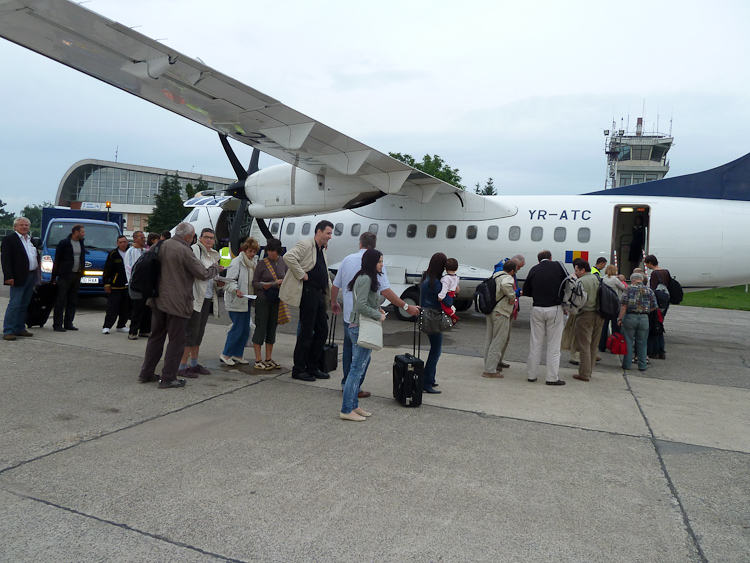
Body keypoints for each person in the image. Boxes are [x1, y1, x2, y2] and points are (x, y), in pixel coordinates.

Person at [331, 232, 419, 397]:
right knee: (363, 358)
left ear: (360, 244)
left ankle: (346, 385)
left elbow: (336, 285)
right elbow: (385, 291)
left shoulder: (347, 259)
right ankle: (353, 390)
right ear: (374, 246)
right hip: (364, 319)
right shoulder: (374, 265)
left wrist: (334, 302)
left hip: (349, 316)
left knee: (349, 352)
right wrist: (406, 306)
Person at [138, 223, 220, 388]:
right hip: (177, 302)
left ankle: (146, 373)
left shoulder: (159, 245)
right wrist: (216, 267)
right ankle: (168, 378)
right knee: (176, 341)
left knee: (156, 337)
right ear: (188, 237)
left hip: (157, 299)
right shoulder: (184, 250)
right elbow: (202, 273)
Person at [279, 220, 335, 382]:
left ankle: (313, 367)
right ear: (319, 232)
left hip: (319, 295)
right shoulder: (305, 244)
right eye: (328, 233)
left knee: (322, 331)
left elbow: (324, 272)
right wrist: (301, 274)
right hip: (308, 293)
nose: (330, 237)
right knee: (306, 332)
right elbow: (289, 256)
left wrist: (331, 296)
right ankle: (299, 369)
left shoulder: (321, 250)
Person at [340, 249, 386, 421]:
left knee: (358, 368)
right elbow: (360, 306)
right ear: (372, 262)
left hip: (358, 325)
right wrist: (377, 315)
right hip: (360, 326)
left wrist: (378, 309)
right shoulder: (366, 278)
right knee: (356, 370)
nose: (382, 264)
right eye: (379, 261)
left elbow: (365, 302)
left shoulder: (364, 277)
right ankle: (346, 410)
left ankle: (354, 405)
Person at [178, 228, 222, 377]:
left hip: (207, 297)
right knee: (191, 334)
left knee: (199, 334)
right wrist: (215, 269)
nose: (209, 240)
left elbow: (210, 276)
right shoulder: (195, 250)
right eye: (206, 237)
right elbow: (200, 272)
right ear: (200, 238)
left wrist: (218, 282)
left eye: (211, 238)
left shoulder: (213, 254)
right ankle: (181, 366)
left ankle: (194, 364)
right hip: (195, 298)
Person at [522, 250, 567, 385]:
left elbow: (527, 290)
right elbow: (567, 285)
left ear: (538, 259)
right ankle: (552, 377)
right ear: (551, 257)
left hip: (537, 308)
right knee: (554, 345)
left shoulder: (534, 269)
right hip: (554, 309)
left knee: (535, 343)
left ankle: (532, 375)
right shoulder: (558, 267)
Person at [220, 237, 260, 366]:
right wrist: (236, 290)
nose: (252, 254)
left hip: (247, 299)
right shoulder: (237, 262)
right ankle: (226, 354)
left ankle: (238, 354)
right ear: (244, 250)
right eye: (250, 251)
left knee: (245, 329)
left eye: (254, 251)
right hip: (236, 300)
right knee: (237, 328)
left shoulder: (253, 262)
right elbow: (229, 281)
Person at [2, 217, 40, 341]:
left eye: (26, 225)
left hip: (31, 275)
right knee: (15, 304)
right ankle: (8, 330)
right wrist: (8, 277)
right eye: (21, 225)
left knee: (24, 304)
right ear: (15, 227)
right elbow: (6, 260)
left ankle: (19, 328)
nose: (24, 227)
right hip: (17, 277)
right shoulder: (9, 240)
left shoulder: (31, 240)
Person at [251, 238, 287, 369]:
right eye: (269, 251)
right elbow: (255, 282)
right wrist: (267, 285)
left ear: (278, 251)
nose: (271, 253)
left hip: (276, 299)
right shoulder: (262, 263)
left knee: (272, 329)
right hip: (263, 299)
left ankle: (268, 358)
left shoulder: (283, 262)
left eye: (273, 251)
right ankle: (258, 359)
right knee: (261, 328)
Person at [482, 260, 517, 379]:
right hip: (501, 311)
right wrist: (512, 297)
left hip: (491, 310)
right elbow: (506, 285)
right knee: (498, 339)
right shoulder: (507, 278)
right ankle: (490, 370)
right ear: (512, 271)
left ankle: (488, 365)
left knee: (489, 339)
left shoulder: (495, 276)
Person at [572, 259, 604, 382]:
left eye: (576, 270)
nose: (575, 273)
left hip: (586, 314)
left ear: (582, 270)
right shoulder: (596, 278)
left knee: (584, 345)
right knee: (594, 346)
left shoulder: (581, 281)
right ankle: (589, 371)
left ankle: (584, 374)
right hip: (599, 314)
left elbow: (577, 300)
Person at [617, 272, 657, 372]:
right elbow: (654, 306)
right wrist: (646, 310)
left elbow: (624, 306)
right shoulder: (649, 290)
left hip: (630, 316)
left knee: (628, 341)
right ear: (642, 279)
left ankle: (627, 364)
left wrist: (620, 318)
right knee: (642, 342)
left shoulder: (628, 289)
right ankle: (642, 365)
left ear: (632, 280)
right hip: (644, 317)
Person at [420, 252, 448, 394]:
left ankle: (430, 379)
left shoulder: (426, 277)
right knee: (436, 350)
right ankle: (426, 381)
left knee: (434, 349)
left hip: (425, 315)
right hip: (433, 318)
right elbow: (446, 301)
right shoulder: (436, 283)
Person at [51, 224, 86, 332]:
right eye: (82, 232)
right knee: (60, 300)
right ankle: (57, 324)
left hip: (76, 275)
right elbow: (57, 260)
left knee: (72, 300)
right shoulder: (64, 243)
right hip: (65, 275)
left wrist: (82, 272)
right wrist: (54, 277)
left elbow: (81, 258)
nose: (84, 234)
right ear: (76, 232)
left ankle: (68, 323)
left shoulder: (81, 243)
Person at [125, 230, 151, 340]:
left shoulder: (144, 251)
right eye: (141, 238)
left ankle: (145, 330)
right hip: (136, 284)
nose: (144, 239)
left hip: (145, 284)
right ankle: (133, 331)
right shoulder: (131, 251)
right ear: (135, 239)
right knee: (137, 309)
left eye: (144, 237)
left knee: (147, 308)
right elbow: (129, 267)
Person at [102, 235, 130, 334]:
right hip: (115, 286)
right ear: (117, 243)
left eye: (124, 242)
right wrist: (106, 284)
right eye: (120, 242)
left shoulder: (130, 252)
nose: (122, 244)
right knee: (112, 308)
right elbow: (107, 270)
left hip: (127, 285)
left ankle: (121, 325)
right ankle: (107, 326)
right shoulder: (113, 254)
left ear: (127, 242)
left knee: (125, 307)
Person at [644, 254, 669, 359]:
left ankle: (653, 350)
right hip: (665, 301)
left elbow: (652, 289)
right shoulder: (666, 272)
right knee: (659, 324)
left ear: (650, 263)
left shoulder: (655, 273)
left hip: (656, 302)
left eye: (647, 264)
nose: (647, 266)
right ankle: (661, 350)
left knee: (652, 326)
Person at [598, 264, 627, 352]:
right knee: (615, 325)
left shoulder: (603, 279)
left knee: (604, 326)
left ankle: (602, 346)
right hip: (614, 305)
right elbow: (624, 288)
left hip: (605, 305)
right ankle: (614, 346)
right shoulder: (615, 279)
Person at [438, 258, 460, 324]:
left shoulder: (446, 278)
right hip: (453, 294)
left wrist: (441, 296)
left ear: (445, 268)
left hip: (448, 293)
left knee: (444, 307)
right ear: (456, 269)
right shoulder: (456, 277)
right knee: (449, 305)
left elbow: (445, 288)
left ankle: (454, 317)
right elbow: (457, 287)